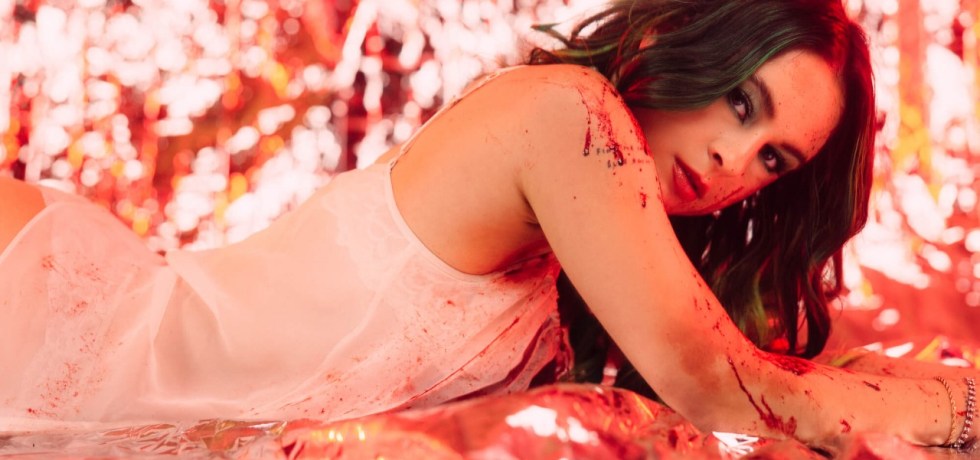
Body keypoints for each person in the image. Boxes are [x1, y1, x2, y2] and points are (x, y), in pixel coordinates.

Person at [0, 0, 975, 452]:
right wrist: (958, 408)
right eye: (740, 101)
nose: (732, 158)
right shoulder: (565, 115)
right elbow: (717, 383)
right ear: (681, 40)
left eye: (773, 161)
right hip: (53, 311)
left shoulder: (560, 273)